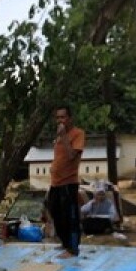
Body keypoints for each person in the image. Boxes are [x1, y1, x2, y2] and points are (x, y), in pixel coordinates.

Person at [47, 104, 85, 258]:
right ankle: (64, 243)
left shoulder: (78, 134)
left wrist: (63, 137)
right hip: (56, 182)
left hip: (69, 183)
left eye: (62, 117)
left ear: (70, 118)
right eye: (57, 117)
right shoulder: (58, 137)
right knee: (55, 212)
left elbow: (71, 156)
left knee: (69, 217)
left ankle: (73, 248)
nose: (59, 120)